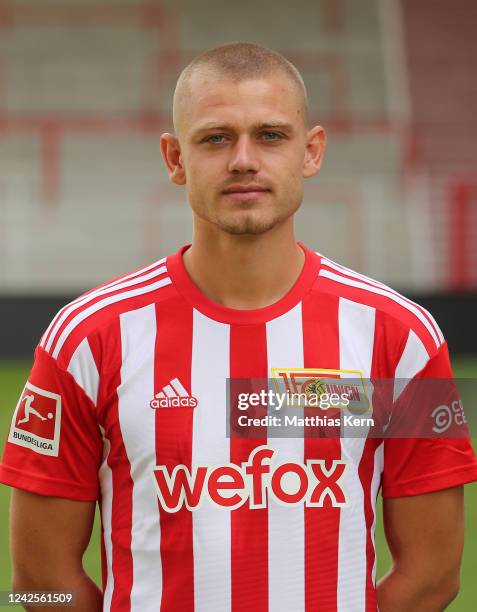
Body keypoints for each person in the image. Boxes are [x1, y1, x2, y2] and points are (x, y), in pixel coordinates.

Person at [1, 42, 477, 612]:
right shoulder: (87, 339)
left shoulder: (403, 340)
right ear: (175, 158)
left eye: (271, 135)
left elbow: (434, 574)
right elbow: (36, 581)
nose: (244, 159)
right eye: (216, 138)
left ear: (312, 151)